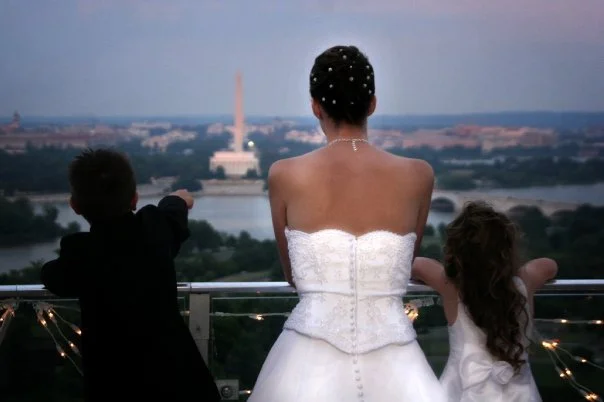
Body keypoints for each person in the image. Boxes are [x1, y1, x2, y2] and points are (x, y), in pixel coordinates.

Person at [248, 45, 447, 402]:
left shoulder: (284, 174)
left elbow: (292, 276)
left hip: (304, 366)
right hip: (399, 365)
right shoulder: (419, 175)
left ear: (315, 106)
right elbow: (401, 270)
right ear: (372, 103)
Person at [40, 149, 220, 402]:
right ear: (135, 199)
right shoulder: (154, 230)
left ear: (75, 206)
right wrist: (180, 198)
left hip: (114, 384)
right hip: (180, 379)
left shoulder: (80, 253)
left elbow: (51, 276)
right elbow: (173, 208)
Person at [412, 201, 558, 402]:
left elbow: (417, 264)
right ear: (506, 249)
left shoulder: (451, 285)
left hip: (463, 391)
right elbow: (549, 265)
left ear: (456, 251)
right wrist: (513, 272)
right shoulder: (524, 282)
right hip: (519, 393)